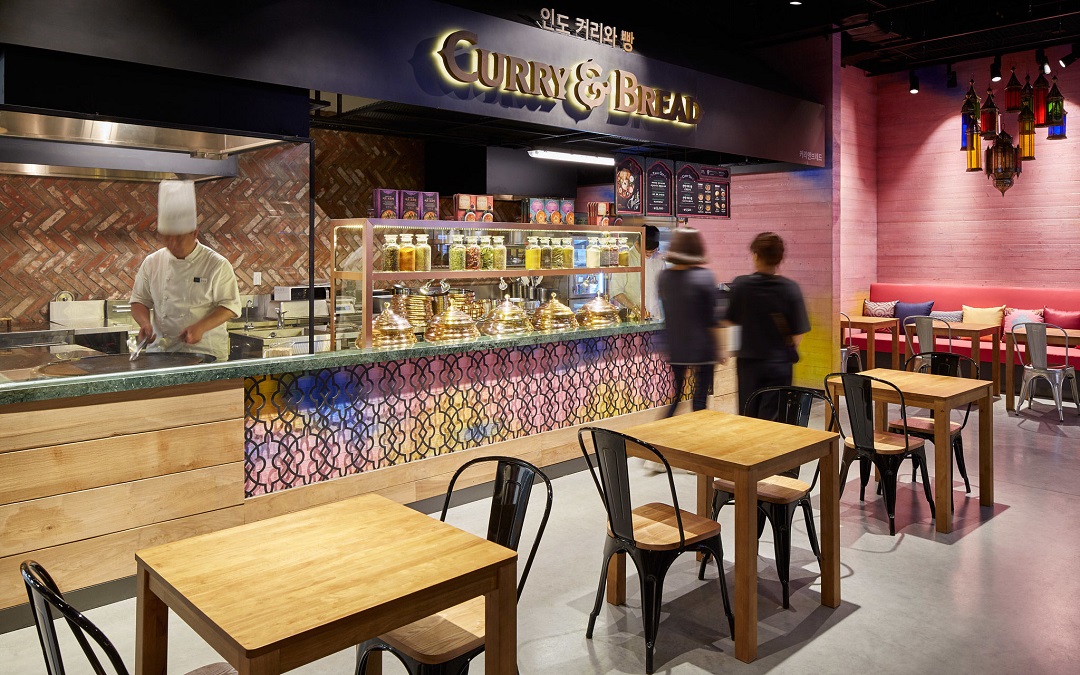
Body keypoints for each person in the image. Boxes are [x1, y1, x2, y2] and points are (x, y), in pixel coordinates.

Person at [131, 180, 241, 362]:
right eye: (167, 239)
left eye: (179, 239)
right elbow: (139, 301)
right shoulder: (152, 262)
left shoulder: (216, 264)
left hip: (205, 354)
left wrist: (200, 327)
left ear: (194, 233)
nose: (172, 245)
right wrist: (144, 323)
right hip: (160, 353)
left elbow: (230, 306)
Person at [725, 232, 810, 418]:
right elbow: (798, 332)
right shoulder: (790, 288)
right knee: (773, 420)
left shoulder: (742, 285)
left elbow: (729, 319)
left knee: (748, 417)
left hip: (748, 365)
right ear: (780, 258)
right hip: (779, 365)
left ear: (756, 256)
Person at [657, 228, 719, 418]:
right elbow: (711, 319)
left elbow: (668, 312)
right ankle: (698, 434)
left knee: (676, 397)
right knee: (699, 401)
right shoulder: (705, 277)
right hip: (702, 348)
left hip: (676, 346)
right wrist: (719, 348)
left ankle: (662, 429)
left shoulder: (665, 277)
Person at [609, 225, 664, 320]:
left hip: (655, 316)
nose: (649, 255)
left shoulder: (659, 259)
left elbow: (661, 288)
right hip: (631, 318)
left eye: (653, 251)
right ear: (637, 243)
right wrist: (636, 309)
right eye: (646, 252)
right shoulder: (624, 258)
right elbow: (616, 291)